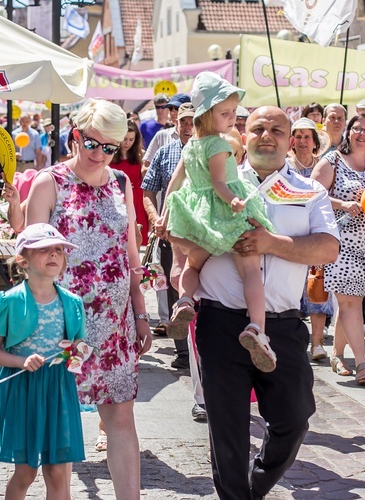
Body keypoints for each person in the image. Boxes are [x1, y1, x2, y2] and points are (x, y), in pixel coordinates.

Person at [195, 106, 339, 499]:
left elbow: (328, 247)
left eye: (277, 129)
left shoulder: (310, 190)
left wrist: (271, 244)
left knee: (294, 421)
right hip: (221, 322)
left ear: (290, 139)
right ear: (244, 136)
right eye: (257, 128)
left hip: (282, 324)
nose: (266, 135)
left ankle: (253, 487)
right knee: (227, 429)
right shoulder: (218, 182)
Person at [26, 98, 152, 499]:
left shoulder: (121, 183)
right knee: (59, 422)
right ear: (74, 135)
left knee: (121, 417)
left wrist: (142, 313)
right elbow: (31, 257)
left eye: (110, 147)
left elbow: (130, 253)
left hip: (115, 325)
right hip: (63, 324)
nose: (99, 154)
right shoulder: (50, 182)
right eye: (91, 142)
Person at [157, 72, 276, 372]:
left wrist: (165, 214)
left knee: (192, 266)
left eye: (234, 113)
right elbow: (219, 182)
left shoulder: (190, 146)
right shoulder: (220, 145)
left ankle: (184, 301)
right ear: (206, 115)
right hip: (226, 214)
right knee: (251, 270)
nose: (232, 118)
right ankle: (256, 329)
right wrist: (233, 201)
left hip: (199, 217)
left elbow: (174, 182)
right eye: (225, 113)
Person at [0, 223, 86, 499]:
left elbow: (81, 349)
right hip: (23, 390)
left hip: (58, 390)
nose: (54, 255)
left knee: (58, 473)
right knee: (26, 472)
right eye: (44, 250)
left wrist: (76, 354)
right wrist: (21, 360)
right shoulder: (8, 301)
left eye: (59, 251)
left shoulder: (73, 302)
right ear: (22, 260)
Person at [311, 113, 365, 385]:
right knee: (350, 303)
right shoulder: (332, 160)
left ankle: (336, 354)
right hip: (340, 243)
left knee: (352, 304)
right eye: (357, 128)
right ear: (348, 132)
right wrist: (343, 204)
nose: (362, 134)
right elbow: (311, 194)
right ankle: (362, 363)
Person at [143, 103, 196, 373]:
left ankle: (200, 346)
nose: (188, 127)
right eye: (184, 122)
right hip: (170, 232)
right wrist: (155, 219)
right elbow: (148, 191)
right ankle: (183, 350)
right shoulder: (165, 152)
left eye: (193, 122)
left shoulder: (209, 151)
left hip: (201, 235)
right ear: (176, 123)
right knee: (175, 286)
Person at [287, 117, 332, 361]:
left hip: (316, 234)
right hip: (291, 234)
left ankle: (317, 342)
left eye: (308, 136)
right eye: (299, 136)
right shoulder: (283, 166)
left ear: (315, 141)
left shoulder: (324, 166)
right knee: (290, 289)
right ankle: (292, 341)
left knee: (318, 286)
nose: (303, 141)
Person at [111, 120, 149, 245]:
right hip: (116, 198)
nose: (127, 143)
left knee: (137, 238)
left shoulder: (141, 155)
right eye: (124, 139)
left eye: (131, 139)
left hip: (136, 199)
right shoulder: (110, 154)